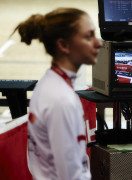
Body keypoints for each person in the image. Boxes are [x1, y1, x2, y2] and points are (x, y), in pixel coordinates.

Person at [12, 7, 102, 179]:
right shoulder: (61, 100)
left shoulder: (51, 83)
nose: (98, 43)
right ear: (63, 45)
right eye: (88, 36)